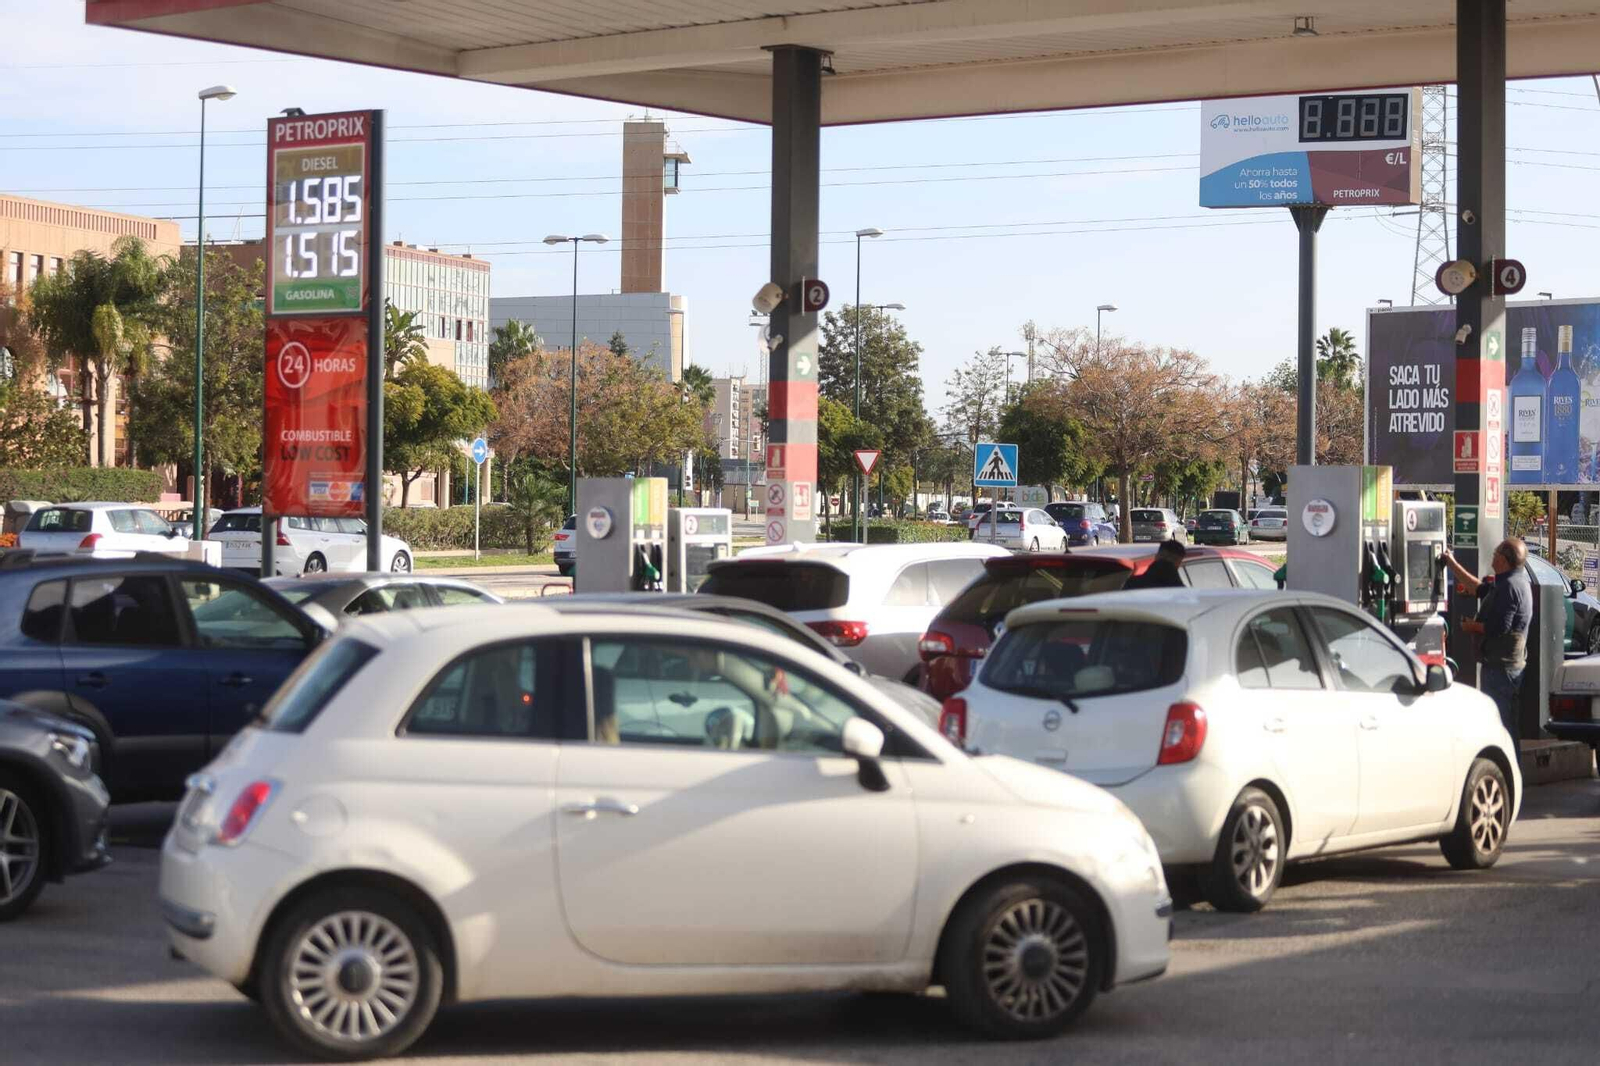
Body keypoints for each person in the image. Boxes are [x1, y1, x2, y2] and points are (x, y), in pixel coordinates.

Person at [1440, 538, 1533, 757]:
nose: (1492, 556)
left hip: (1502, 670)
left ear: (1503, 559)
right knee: (1505, 728)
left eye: (1495, 553)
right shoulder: (1510, 581)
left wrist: (1469, 626)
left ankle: (1509, 780)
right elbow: (1479, 589)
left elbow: (1498, 627)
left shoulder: (1510, 586)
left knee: (1501, 730)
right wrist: (1451, 563)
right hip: (1504, 668)